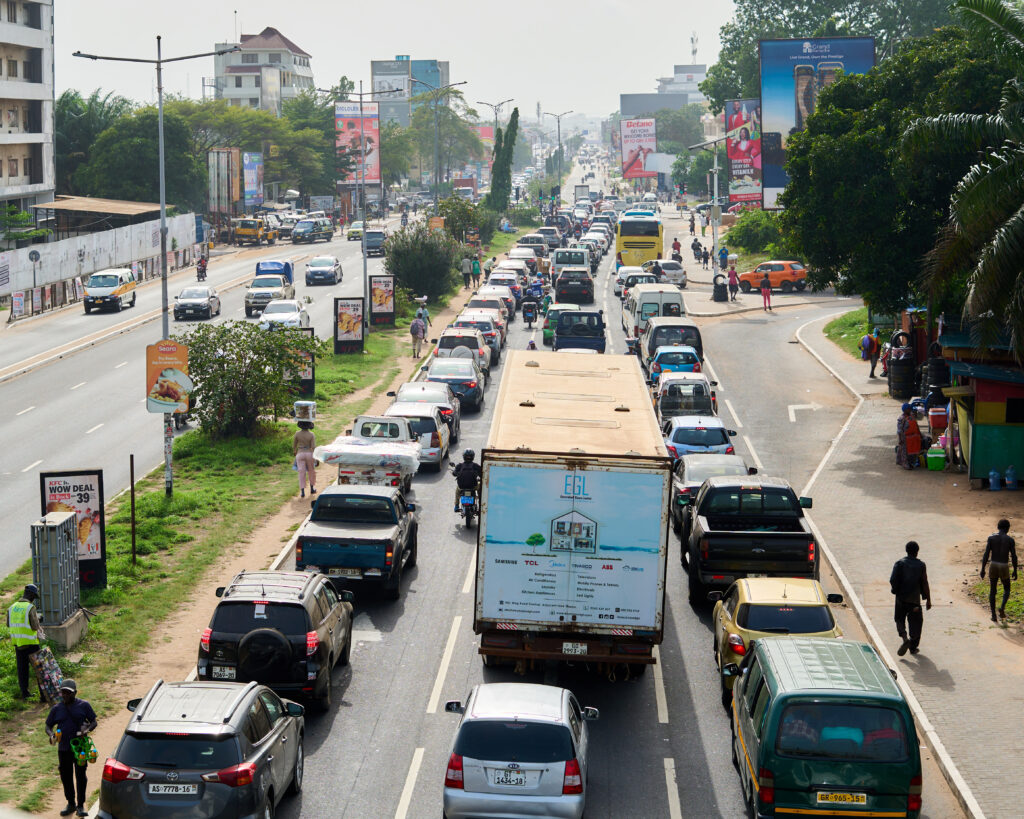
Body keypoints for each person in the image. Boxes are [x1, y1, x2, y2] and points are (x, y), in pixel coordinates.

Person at [46, 679, 97, 817]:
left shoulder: (84, 705)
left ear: (75, 693)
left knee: (81, 776)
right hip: (63, 749)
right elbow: (48, 725)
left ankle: (80, 805)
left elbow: (93, 721)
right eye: (63, 692)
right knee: (66, 776)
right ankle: (71, 803)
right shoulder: (56, 709)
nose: (65, 695)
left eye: (68, 693)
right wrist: (51, 735)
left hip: (80, 747)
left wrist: (86, 731)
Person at [889, 541, 931, 655]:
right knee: (916, 623)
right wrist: (928, 599)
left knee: (899, 619)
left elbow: (893, 579)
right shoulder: (921, 565)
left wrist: (895, 590)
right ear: (917, 552)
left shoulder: (899, 563)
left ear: (906, 551)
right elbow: (924, 582)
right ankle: (913, 647)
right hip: (915, 601)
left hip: (901, 599)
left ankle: (904, 638)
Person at [7, 583, 44, 700]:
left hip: (18, 644)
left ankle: (25, 694)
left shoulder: (11, 607)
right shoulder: (30, 607)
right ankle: (44, 696)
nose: (34, 599)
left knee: (22, 670)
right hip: (31, 644)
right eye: (34, 597)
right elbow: (34, 626)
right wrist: (38, 619)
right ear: (31, 595)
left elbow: (9, 624)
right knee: (39, 669)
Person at [981, 518, 1018, 622]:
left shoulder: (991, 538)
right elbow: (1014, 556)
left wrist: (983, 568)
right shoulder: (1010, 540)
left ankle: (993, 616)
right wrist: (1015, 570)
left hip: (993, 565)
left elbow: (986, 554)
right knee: (1007, 588)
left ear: (998, 527)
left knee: (993, 590)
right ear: (1007, 529)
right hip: (1004, 565)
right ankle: (1002, 607)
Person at [293, 421, 316, 499]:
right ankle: (312, 488)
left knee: (301, 472)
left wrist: (295, 451)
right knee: (311, 471)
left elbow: (294, 445)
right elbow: (313, 446)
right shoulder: (311, 434)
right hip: (309, 453)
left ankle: (302, 492)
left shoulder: (297, 433)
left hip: (300, 453)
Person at [896, 403, 921, 470]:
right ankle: (905, 465)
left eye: (910, 408)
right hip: (905, 438)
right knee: (905, 452)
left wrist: (920, 434)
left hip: (914, 437)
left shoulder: (912, 416)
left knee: (913, 452)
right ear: (904, 410)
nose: (910, 410)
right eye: (908, 409)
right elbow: (899, 430)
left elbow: (916, 425)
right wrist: (900, 439)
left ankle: (911, 463)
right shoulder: (901, 418)